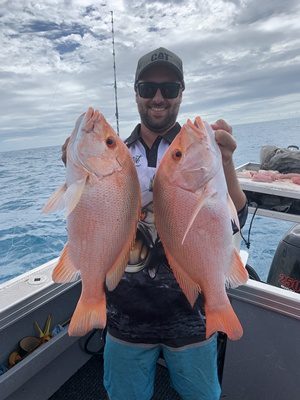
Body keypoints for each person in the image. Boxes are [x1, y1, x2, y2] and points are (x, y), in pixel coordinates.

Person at [62, 47, 248, 400]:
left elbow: (235, 216)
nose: (158, 98)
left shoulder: (197, 145)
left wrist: (225, 164)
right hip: (124, 319)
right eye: (148, 88)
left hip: (192, 319)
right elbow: (89, 216)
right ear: (136, 93)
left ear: (181, 92)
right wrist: (71, 165)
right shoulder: (118, 150)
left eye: (169, 88)